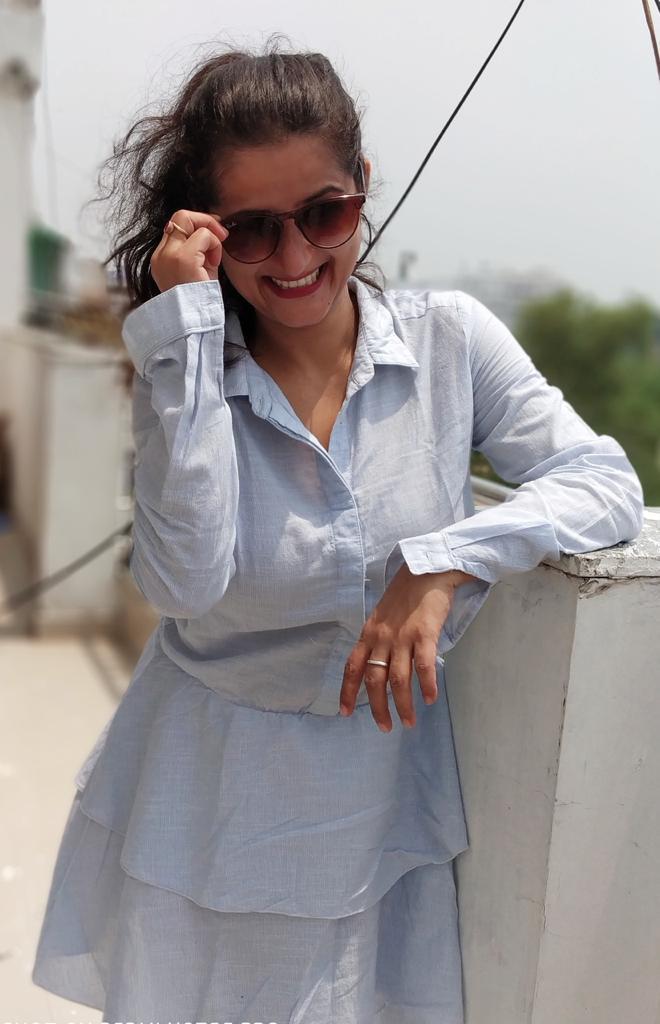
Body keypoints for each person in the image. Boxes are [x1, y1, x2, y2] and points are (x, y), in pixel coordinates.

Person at [31, 40, 645, 1024]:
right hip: (206, 808)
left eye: (324, 213)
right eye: (252, 230)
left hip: (377, 818)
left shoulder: (450, 342)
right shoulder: (193, 374)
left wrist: (445, 559)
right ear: (208, 233)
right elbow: (185, 583)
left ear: (361, 187)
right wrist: (185, 328)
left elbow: (603, 482)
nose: (294, 258)